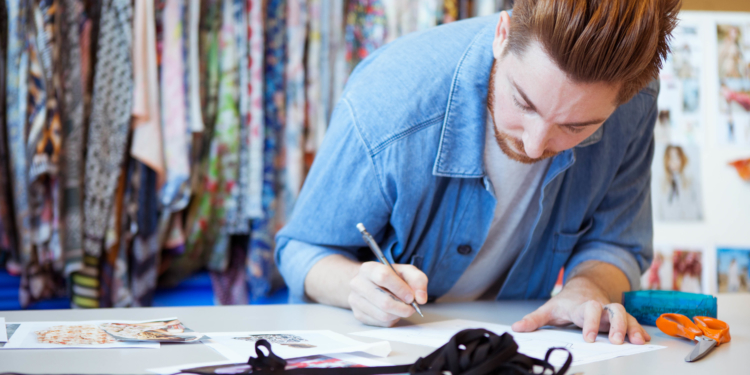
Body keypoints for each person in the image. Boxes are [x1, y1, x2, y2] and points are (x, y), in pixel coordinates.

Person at [276, 0, 680, 346]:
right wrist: (354, 287)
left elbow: (617, 243)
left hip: (515, 349)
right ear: (502, 34)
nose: (535, 145)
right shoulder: (389, 101)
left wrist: (587, 288)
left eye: (575, 126)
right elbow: (300, 249)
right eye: (524, 102)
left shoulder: (635, 102)